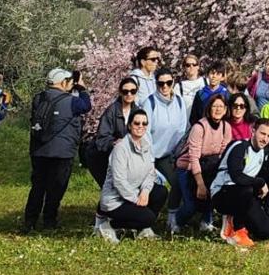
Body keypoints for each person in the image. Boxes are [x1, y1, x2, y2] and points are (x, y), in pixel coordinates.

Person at [24, 68, 91, 232]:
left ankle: (30, 221)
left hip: (39, 150)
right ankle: (49, 221)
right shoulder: (72, 101)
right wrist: (81, 88)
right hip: (62, 151)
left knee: (38, 186)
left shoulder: (38, 98)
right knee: (56, 187)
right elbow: (86, 106)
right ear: (63, 82)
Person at [96, 108, 168, 243]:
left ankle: (141, 228)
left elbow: (150, 173)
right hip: (115, 199)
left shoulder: (146, 146)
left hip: (136, 191)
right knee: (149, 218)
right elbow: (118, 182)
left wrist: (145, 192)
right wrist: (136, 200)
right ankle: (108, 226)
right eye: (137, 123)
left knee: (161, 192)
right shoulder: (120, 149)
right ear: (129, 125)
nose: (140, 126)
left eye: (144, 123)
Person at [212, 118, 269, 245]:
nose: (265, 139)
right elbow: (236, 176)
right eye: (262, 134)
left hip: (245, 196)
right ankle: (235, 229)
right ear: (253, 131)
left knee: (266, 232)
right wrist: (260, 182)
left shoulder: (262, 153)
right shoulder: (240, 147)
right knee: (246, 189)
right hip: (222, 193)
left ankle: (241, 222)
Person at [173, 93, 230, 234]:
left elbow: (223, 154)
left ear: (225, 109)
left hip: (210, 166)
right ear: (209, 108)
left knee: (212, 196)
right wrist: (200, 184)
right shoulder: (199, 127)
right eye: (214, 106)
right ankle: (176, 221)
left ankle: (206, 221)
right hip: (189, 167)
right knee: (191, 205)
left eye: (221, 106)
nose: (217, 109)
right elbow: (193, 157)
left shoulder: (225, 127)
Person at [146, 68, 189, 227]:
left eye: (168, 83)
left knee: (177, 182)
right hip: (150, 153)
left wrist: (179, 154)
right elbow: (145, 132)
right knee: (152, 187)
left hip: (169, 155)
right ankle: (147, 218)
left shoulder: (179, 102)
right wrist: (149, 160)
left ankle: (172, 217)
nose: (165, 86)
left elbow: (182, 129)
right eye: (161, 83)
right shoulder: (149, 103)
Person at [88, 77, 140, 189]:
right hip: (104, 157)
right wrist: (114, 142)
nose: (129, 94)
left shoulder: (138, 112)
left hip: (127, 157)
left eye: (133, 91)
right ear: (120, 92)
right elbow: (102, 137)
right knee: (111, 189)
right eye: (126, 91)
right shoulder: (111, 111)